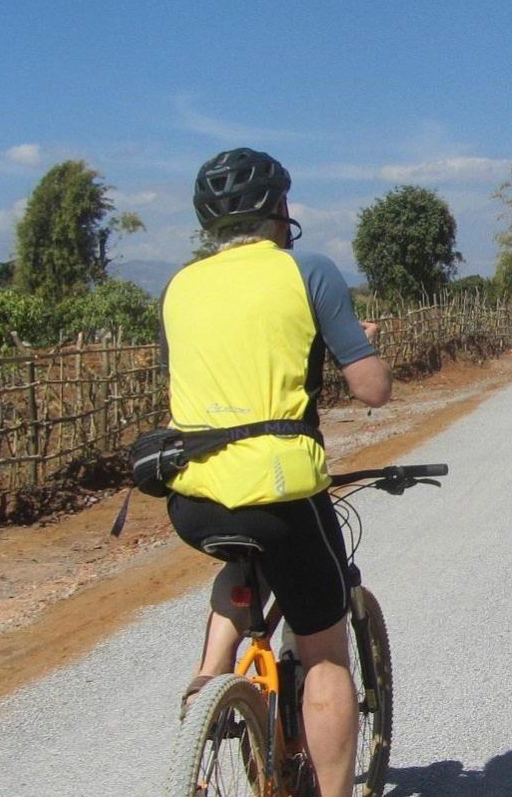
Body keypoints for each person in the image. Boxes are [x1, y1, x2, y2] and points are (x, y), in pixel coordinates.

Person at [160, 147, 390, 797]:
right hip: (283, 493)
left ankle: (209, 679)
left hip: (192, 497)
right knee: (324, 656)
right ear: (281, 211)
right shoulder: (308, 271)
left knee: (245, 554)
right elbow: (372, 389)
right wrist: (363, 346)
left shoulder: (177, 286)